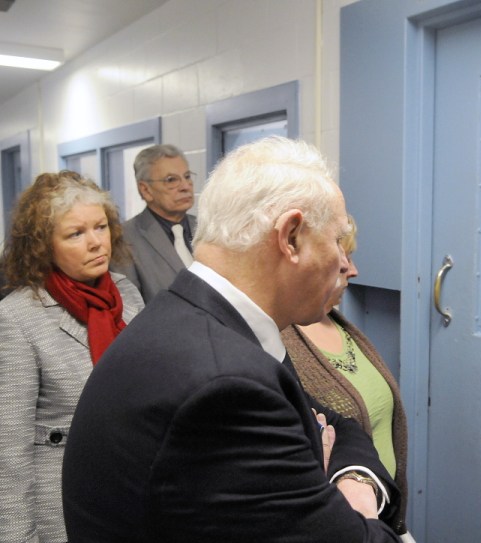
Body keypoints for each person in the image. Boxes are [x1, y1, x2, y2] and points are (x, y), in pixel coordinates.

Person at [62, 136, 401, 542]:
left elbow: (338, 423)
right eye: (336, 240)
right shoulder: (225, 385)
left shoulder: (199, 320)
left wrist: (352, 479)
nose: (344, 263)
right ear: (290, 237)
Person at [0, 171, 144, 543]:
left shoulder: (127, 295)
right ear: (43, 246)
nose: (96, 243)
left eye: (100, 227)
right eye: (75, 234)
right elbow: (8, 453)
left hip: (134, 492)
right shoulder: (17, 316)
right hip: (64, 507)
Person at [281, 214, 412, 539]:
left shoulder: (338, 322)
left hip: (382, 512)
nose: (352, 271)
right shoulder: (281, 342)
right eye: (342, 261)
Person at [110, 144, 197, 303]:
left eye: (187, 176)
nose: (185, 186)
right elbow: (130, 309)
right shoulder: (124, 239)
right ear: (145, 190)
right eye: (171, 180)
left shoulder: (207, 229)